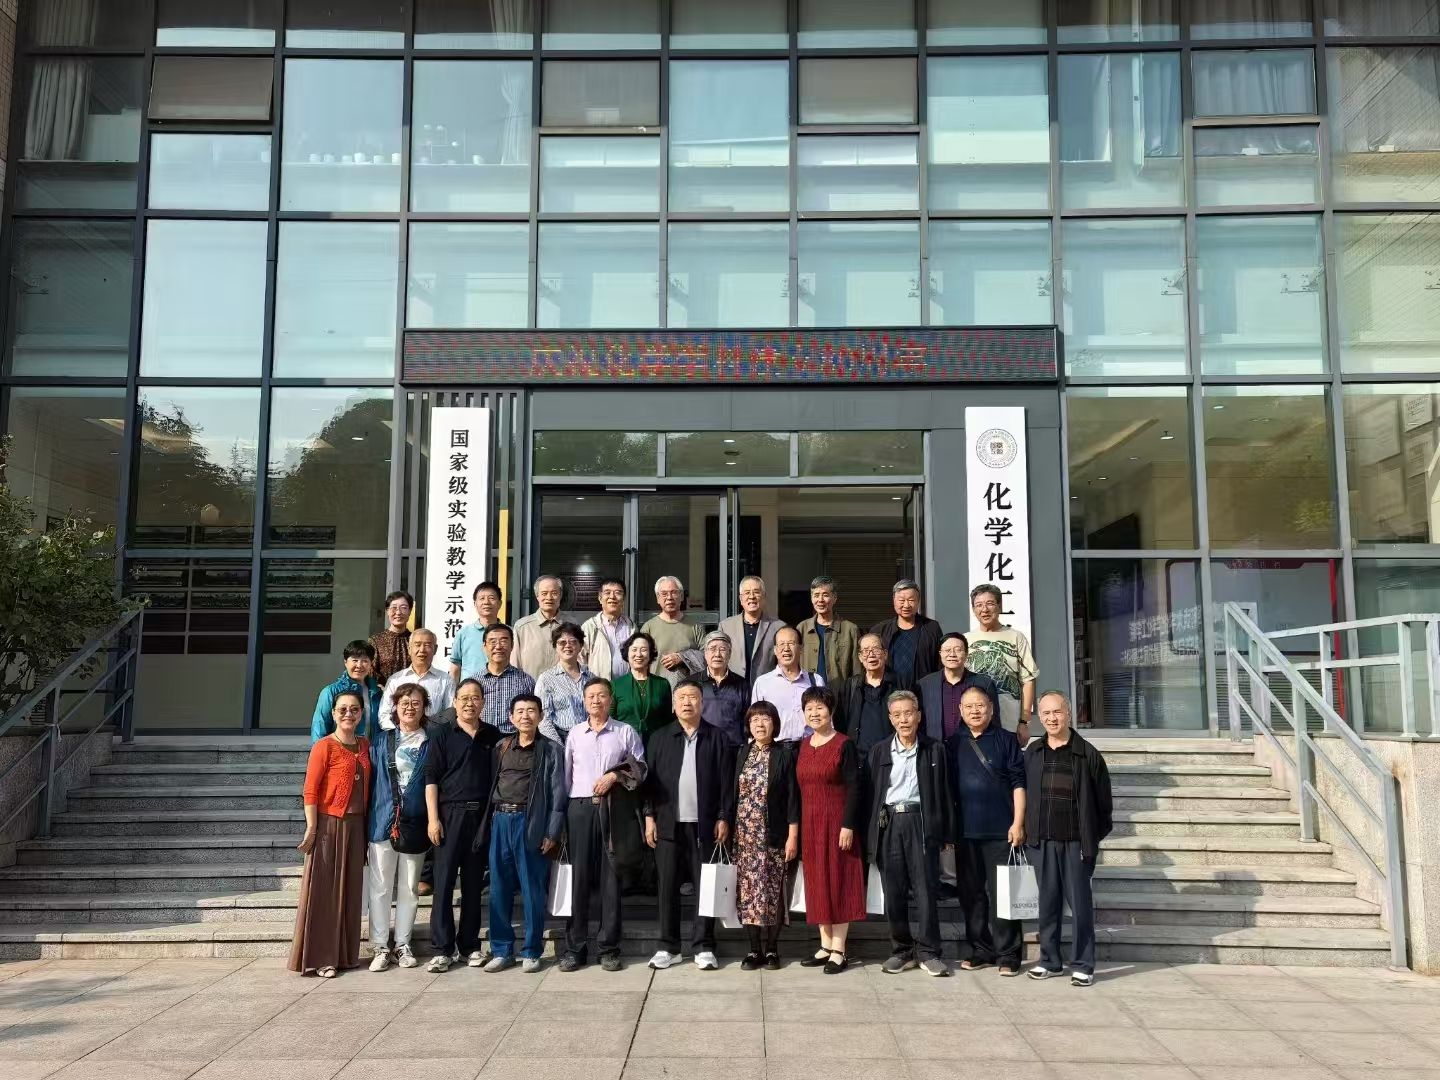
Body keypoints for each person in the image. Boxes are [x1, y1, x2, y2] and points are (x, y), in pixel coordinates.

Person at [644, 677, 736, 971]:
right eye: (681, 697)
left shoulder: (717, 737)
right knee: (667, 887)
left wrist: (724, 816)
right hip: (667, 824)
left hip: (705, 826)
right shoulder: (659, 737)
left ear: (702, 703)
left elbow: (727, 783)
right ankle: (667, 946)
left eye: (693, 697)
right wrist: (649, 816)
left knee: (705, 887)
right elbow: (649, 783)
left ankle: (704, 946)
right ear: (673, 705)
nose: (687, 702)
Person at [1025, 691, 1112, 987]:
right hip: (1042, 841)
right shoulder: (1033, 752)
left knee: (1080, 906)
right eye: (1046, 713)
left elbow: (1103, 806)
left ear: (1069, 713)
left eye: (1057, 712)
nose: (1052, 718)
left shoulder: (1087, 754)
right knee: (1047, 903)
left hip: (1076, 843)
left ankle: (1083, 964)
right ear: (1039, 716)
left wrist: (1090, 838)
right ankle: (1049, 961)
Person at [561, 677, 648, 973]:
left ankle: (608, 948)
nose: (596, 700)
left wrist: (615, 776)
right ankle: (574, 948)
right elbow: (566, 776)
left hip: (614, 808)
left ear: (611, 700)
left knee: (611, 879)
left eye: (602, 695)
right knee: (579, 880)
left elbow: (640, 768)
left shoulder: (625, 731)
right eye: (591, 696)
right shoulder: (575, 734)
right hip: (580, 809)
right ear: (584, 701)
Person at [866, 690, 952, 977]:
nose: (903, 719)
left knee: (926, 889)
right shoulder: (879, 751)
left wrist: (946, 833)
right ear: (891, 719)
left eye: (908, 713)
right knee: (893, 891)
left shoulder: (934, 749)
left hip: (921, 822)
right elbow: (871, 795)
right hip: (889, 822)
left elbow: (945, 792)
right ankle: (901, 951)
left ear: (919, 716)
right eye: (897, 714)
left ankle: (929, 952)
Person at [481, 693, 566, 973]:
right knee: (499, 888)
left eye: (531, 711)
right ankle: (501, 950)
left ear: (540, 716)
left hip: (531, 822)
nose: (525, 716)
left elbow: (557, 793)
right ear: (511, 717)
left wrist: (552, 832)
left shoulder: (551, 749)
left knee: (532, 889)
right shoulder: (502, 746)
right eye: (520, 711)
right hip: (500, 820)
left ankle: (531, 951)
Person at [289, 690, 372, 977]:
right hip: (329, 825)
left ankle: (345, 955)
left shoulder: (365, 745)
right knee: (325, 893)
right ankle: (322, 958)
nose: (349, 714)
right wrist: (312, 827)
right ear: (334, 713)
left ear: (361, 714)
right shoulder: (324, 746)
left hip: (357, 827)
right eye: (343, 709)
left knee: (350, 892)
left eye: (354, 709)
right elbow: (310, 790)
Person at [423, 678, 501, 972]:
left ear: (483, 702)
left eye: (475, 697)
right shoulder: (441, 734)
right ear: (454, 703)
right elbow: (431, 778)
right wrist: (433, 819)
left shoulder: (492, 736)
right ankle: (442, 949)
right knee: (443, 884)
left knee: (472, 885)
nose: (470, 702)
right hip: (448, 816)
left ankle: (469, 946)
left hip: (480, 817)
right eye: (464, 698)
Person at [948, 686, 1026, 976]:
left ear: (991, 709)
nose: (974, 711)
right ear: (960, 711)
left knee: (1004, 895)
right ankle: (981, 949)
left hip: (1001, 832)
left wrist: (1018, 823)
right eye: (968, 706)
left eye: (980, 705)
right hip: (965, 833)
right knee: (971, 896)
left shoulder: (1006, 740)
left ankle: (1008, 953)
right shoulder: (953, 743)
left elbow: (1019, 783)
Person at [794, 685, 865, 974]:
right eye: (809, 708)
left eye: (820, 708)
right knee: (817, 883)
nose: (814, 713)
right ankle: (824, 945)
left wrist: (848, 825)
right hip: (811, 825)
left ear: (831, 711)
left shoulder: (844, 744)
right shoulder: (802, 746)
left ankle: (839, 949)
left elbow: (855, 788)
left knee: (839, 882)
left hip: (837, 824)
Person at [729, 701, 800, 970]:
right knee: (748, 892)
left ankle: (772, 949)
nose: (760, 724)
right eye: (755, 719)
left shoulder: (784, 755)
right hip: (744, 836)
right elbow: (731, 793)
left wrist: (793, 835)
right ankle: (753, 949)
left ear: (775, 724)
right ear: (748, 725)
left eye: (765, 718)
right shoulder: (741, 753)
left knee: (772, 891)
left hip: (773, 835)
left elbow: (793, 799)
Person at [366, 683, 430, 972]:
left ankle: (403, 944)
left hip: (416, 824)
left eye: (416, 702)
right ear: (395, 706)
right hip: (382, 820)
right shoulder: (381, 741)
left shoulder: (431, 742)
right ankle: (380, 945)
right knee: (380, 886)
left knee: (409, 887)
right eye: (404, 702)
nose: (409, 707)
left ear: (424, 707)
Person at [967, 583, 1039, 744]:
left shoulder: (1016, 637)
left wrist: (1024, 721)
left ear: (999, 606)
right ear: (973, 609)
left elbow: (1028, 680)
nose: (984, 609)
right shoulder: (965, 640)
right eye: (979, 605)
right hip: (974, 725)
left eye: (990, 603)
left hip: (1009, 723)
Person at [918, 633, 1001, 744]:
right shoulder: (925, 684)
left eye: (958, 650)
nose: (952, 654)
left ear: (966, 654)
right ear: (940, 653)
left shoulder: (985, 684)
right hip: (936, 748)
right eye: (947, 650)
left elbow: (994, 721)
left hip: (973, 748)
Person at [870, 579, 944, 692]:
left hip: (924, 692)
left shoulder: (931, 628)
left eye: (911, 600)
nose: (906, 605)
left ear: (918, 601)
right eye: (901, 600)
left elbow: (940, 663)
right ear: (894, 601)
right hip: (887, 693)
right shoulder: (880, 630)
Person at [750, 626, 821, 742]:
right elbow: (755, 723)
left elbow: (826, 721)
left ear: (801, 648)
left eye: (791, 643)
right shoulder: (763, 683)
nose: (786, 648)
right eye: (781, 644)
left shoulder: (815, 681)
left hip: (809, 747)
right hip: (775, 748)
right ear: (775, 650)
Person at [833, 633, 897, 758]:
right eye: (866, 651)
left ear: (885, 654)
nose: (871, 654)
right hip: (857, 758)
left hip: (891, 757)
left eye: (876, 649)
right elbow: (839, 724)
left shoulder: (900, 684)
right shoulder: (849, 686)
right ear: (860, 657)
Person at [378, 629, 455, 728]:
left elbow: (450, 713)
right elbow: (384, 714)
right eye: (417, 645)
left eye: (427, 645)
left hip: (433, 736)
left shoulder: (445, 680)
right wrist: (399, 733)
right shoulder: (395, 680)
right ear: (409, 649)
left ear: (435, 649)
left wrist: (435, 733)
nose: (422, 650)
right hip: (400, 736)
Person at [640, 575, 705, 689]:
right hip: (656, 691)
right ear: (658, 598)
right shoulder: (648, 627)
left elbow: (707, 655)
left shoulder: (695, 626)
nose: (669, 598)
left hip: (688, 691)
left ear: (681, 596)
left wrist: (682, 657)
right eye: (664, 594)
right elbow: (640, 661)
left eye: (674, 592)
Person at [311, 639, 383, 742]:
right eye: (355, 660)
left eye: (365, 661)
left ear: (371, 663)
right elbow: (319, 728)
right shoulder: (330, 692)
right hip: (341, 750)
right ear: (345, 662)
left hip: (372, 750)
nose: (359, 665)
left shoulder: (377, 692)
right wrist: (321, 751)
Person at [718, 576, 782, 688]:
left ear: (764, 597)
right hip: (733, 689)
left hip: (766, 689)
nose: (751, 597)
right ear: (741, 599)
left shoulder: (778, 627)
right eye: (747, 593)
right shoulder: (726, 626)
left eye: (756, 592)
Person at [796, 575, 860, 685]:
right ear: (811, 598)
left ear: (834, 598)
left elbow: (857, 671)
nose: (820, 600)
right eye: (816, 595)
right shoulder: (802, 628)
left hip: (839, 693)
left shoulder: (850, 630)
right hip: (808, 692)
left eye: (825, 595)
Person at [536, 622, 592, 745]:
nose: (567, 646)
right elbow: (543, 719)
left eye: (573, 642)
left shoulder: (591, 678)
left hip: (590, 739)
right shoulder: (546, 679)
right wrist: (558, 746)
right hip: (559, 739)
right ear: (555, 647)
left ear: (580, 646)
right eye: (562, 642)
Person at [475, 622, 536, 734]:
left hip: (514, 741)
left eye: (504, 641)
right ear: (484, 646)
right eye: (493, 641)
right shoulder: (475, 682)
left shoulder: (526, 681)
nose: (498, 646)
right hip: (481, 739)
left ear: (512, 645)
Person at [611, 632, 672, 741]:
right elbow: (610, 719)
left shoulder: (662, 684)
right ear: (627, 653)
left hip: (656, 742)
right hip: (625, 742)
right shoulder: (616, 685)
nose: (638, 654)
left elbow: (667, 720)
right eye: (634, 650)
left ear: (650, 654)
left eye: (644, 650)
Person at [698, 630, 748, 748]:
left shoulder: (742, 684)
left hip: (733, 749)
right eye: (712, 649)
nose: (717, 654)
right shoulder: (692, 683)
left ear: (729, 654)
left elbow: (747, 720)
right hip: (701, 748)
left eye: (723, 649)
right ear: (705, 653)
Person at [449, 581, 505, 682]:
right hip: (470, 689)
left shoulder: (509, 633)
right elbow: (455, 668)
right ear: (475, 604)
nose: (486, 602)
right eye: (482, 598)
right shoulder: (463, 633)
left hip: (502, 686)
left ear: (500, 603)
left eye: (491, 598)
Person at [581, 577, 635, 681]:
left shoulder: (631, 627)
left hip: (627, 686)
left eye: (618, 593)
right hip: (598, 687)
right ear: (600, 598)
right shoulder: (590, 626)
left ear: (623, 599)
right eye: (607, 592)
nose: (612, 597)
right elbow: (580, 660)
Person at [514, 574, 565, 679]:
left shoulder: (572, 625)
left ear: (560, 596)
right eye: (544, 593)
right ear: (537, 596)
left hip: (563, 687)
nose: (549, 598)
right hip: (530, 687)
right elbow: (515, 663)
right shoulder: (522, 627)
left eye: (554, 593)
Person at [370, 590, 414, 684]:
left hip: (412, 690)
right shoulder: (376, 640)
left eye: (403, 608)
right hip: (384, 690)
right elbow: (370, 671)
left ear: (410, 611)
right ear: (387, 611)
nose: (398, 612)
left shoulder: (415, 639)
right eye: (394, 608)